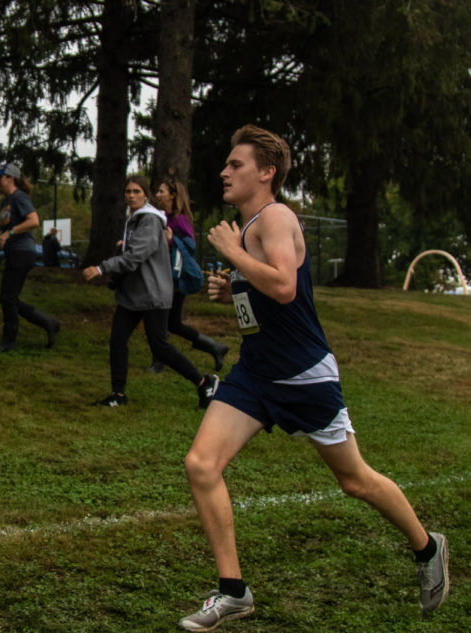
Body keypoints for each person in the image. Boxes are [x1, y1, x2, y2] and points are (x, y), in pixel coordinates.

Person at [177, 125, 449, 631]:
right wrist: (229, 286)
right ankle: (233, 590)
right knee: (201, 464)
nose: (224, 171)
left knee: (355, 480)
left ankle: (428, 547)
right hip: (257, 373)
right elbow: (265, 295)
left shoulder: (276, 216)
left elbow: (283, 285)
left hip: (304, 376)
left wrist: (233, 254)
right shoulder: (251, 224)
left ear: (266, 172)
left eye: (236, 165)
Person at [83, 175, 219, 409]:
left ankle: (205, 382)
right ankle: (118, 394)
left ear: (146, 195)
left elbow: (137, 256)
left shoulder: (149, 220)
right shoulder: (135, 219)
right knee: (117, 340)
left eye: (136, 191)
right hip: (133, 295)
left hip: (153, 293)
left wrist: (102, 267)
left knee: (160, 347)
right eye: (128, 192)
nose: (131, 195)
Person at [147, 177, 228, 374]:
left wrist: (172, 239)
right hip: (164, 274)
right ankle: (214, 347)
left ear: (173, 195)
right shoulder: (162, 216)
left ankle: (159, 361)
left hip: (176, 278)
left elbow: (190, 247)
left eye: (161, 192)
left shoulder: (180, 219)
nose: (157, 195)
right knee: (172, 323)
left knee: (162, 320)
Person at [0, 163, 60, 352]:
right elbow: (4, 230)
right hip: (15, 252)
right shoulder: (6, 202)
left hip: (23, 252)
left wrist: (10, 233)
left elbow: (33, 220)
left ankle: (9, 341)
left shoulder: (19, 197)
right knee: (9, 298)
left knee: (8, 297)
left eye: (0, 178)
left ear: (10, 178)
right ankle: (49, 323)